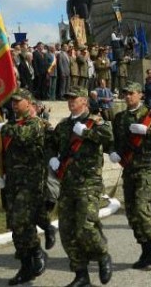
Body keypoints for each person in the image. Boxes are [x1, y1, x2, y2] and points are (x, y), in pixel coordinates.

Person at [48, 86, 114, 286]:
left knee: (86, 227)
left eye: (74, 99)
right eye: (68, 99)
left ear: (84, 101)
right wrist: (52, 158)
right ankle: (81, 274)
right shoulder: (63, 126)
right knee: (67, 231)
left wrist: (86, 132)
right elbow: (51, 143)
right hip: (67, 184)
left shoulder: (96, 122)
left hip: (89, 183)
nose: (70, 102)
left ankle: (102, 255)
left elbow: (108, 137)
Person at [109, 82, 151, 270]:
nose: (128, 96)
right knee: (131, 212)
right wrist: (112, 151)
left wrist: (148, 131)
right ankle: (145, 249)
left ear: (140, 95)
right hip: (128, 168)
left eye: (131, 93)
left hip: (145, 167)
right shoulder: (120, 117)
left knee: (140, 207)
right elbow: (112, 140)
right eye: (125, 93)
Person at [0, 88, 47, 285]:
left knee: (21, 221)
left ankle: (33, 254)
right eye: (12, 102)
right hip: (12, 182)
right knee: (16, 225)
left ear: (29, 103)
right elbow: (5, 150)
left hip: (29, 183)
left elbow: (24, 136)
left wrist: (3, 128)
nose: (14, 104)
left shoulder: (35, 123)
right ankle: (27, 263)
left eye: (18, 101)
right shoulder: (12, 124)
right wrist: (3, 172)